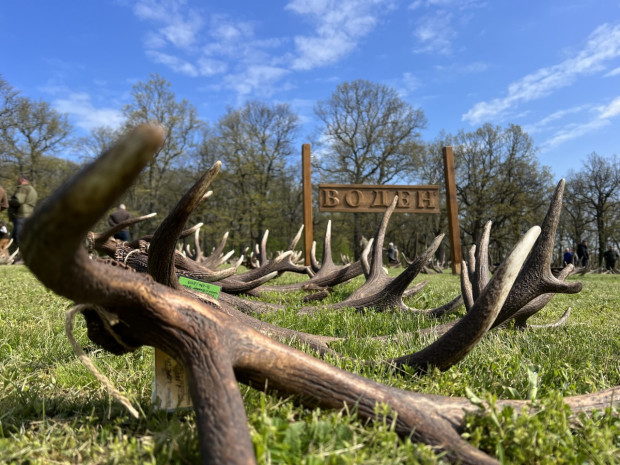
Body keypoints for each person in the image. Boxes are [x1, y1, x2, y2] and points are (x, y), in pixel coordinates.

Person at [8, 175, 37, 248]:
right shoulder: (32, 189)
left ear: (22, 180)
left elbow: (18, 201)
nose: (17, 180)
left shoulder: (23, 188)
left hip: (21, 215)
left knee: (17, 236)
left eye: (19, 179)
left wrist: (9, 201)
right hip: (29, 215)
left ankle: (21, 254)